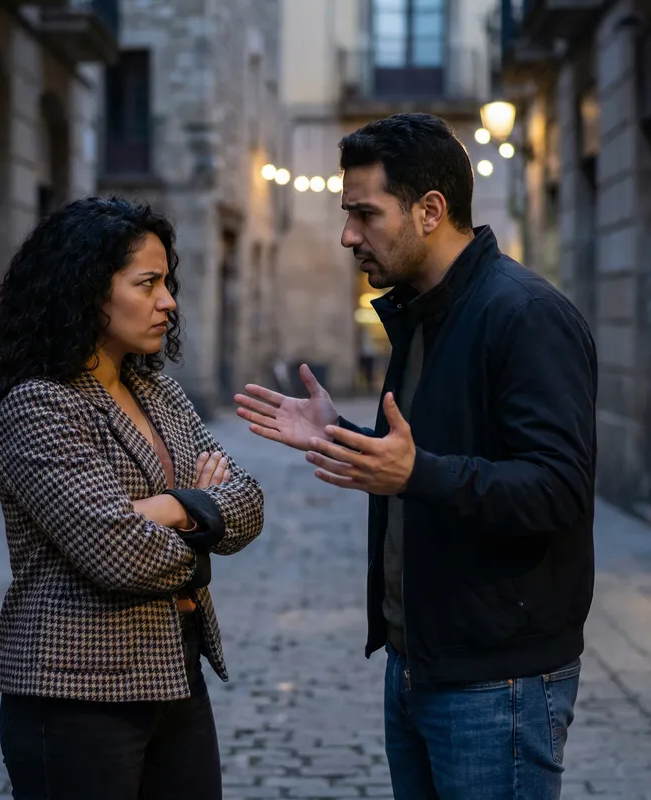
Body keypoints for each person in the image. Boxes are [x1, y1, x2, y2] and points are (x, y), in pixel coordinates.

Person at [235, 113, 596, 800]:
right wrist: (338, 434)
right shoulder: (422, 314)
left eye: (365, 214)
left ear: (430, 211)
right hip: (416, 666)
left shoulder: (524, 316)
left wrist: (415, 472)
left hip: (499, 682)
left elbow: (559, 490)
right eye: (347, 215)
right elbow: (424, 453)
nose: (348, 235)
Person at [0, 197, 264, 800]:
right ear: (84, 291)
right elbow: (118, 553)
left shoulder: (158, 392)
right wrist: (199, 509)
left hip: (177, 674)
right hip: (77, 695)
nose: (168, 302)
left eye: (167, 283)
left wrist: (170, 509)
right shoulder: (39, 405)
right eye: (147, 283)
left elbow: (249, 502)